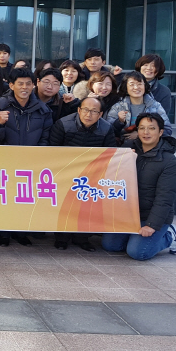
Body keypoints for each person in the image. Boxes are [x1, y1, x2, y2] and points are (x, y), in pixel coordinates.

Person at [101, 113, 176, 260]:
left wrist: (152, 225)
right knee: (110, 245)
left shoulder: (169, 161)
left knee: (138, 252)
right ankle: (134, 237)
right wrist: (122, 159)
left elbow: (165, 197)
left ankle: (169, 235)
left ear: (161, 132)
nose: (146, 132)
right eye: (142, 128)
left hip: (150, 216)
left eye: (151, 128)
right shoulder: (128, 151)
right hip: (129, 213)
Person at [0, 68, 53, 247]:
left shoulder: (43, 110)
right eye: (20, 84)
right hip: (5, 161)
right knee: (6, 198)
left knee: (25, 198)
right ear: (11, 85)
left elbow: (46, 137)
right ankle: (4, 232)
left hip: (31, 162)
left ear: (34, 85)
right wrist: (0, 124)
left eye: (28, 84)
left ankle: (21, 231)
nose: (24, 87)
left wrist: (37, 155)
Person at [49, 97, 116, 251]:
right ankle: (61, 238)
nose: (88, 114)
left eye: (94, 111)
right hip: (65, 172)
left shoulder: (106, 129)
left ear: (100, 114)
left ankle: (82, 238)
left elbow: (111, 154)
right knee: (65, 207)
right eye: (85, 110)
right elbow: (52, 150)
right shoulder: (63, 124)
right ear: (79, 110)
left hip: (93, 175)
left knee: (87, 208)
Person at [107, 71, 173, 138]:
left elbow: (167, 130)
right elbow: (109, 131)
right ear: (126, 87)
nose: (136, 87)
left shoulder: (155, 106)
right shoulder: (118, 107)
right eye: (132, 84)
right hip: (125, 146)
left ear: (145, 86)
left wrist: (140, 135)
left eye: (139, 84)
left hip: (149, 146)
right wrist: (119, 122)